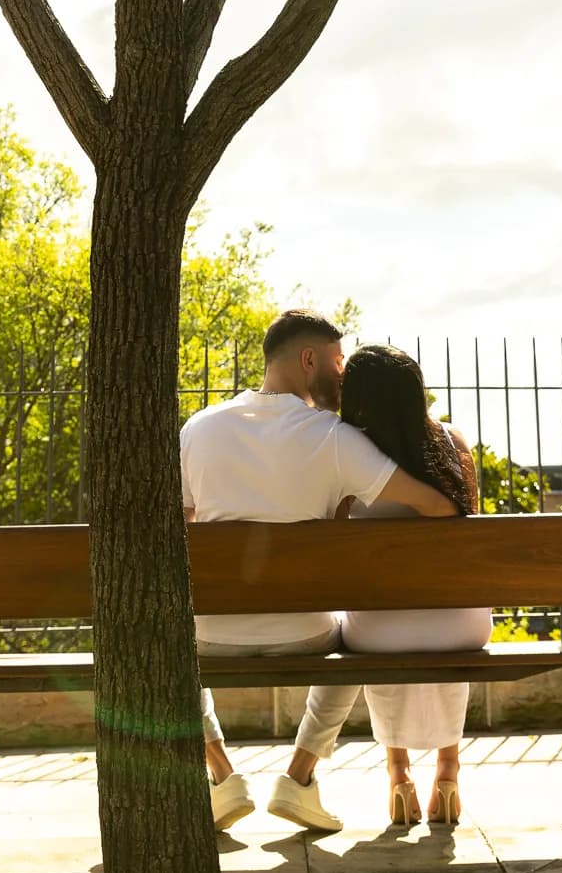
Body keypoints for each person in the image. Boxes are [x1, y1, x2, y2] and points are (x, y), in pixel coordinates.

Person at [181, 309, 461, 834]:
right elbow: (434, 505)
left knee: (168, 648)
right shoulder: (334, 438)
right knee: (351, 643)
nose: (343, 375)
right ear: (309, 359)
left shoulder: (199, 428)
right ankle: (298, 776)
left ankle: (221, 775)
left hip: (209, 636)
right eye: (337, 362)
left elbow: (178, 527)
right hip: (303, 634)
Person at [334, 345, 490, 826]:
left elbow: (332, 530)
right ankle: (448, 772)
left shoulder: (346, 452)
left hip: (379, 631)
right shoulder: (451, 442)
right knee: (446, 609)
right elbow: (473, 520)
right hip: (462, 626)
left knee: (375, 618)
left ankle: (398, 775)